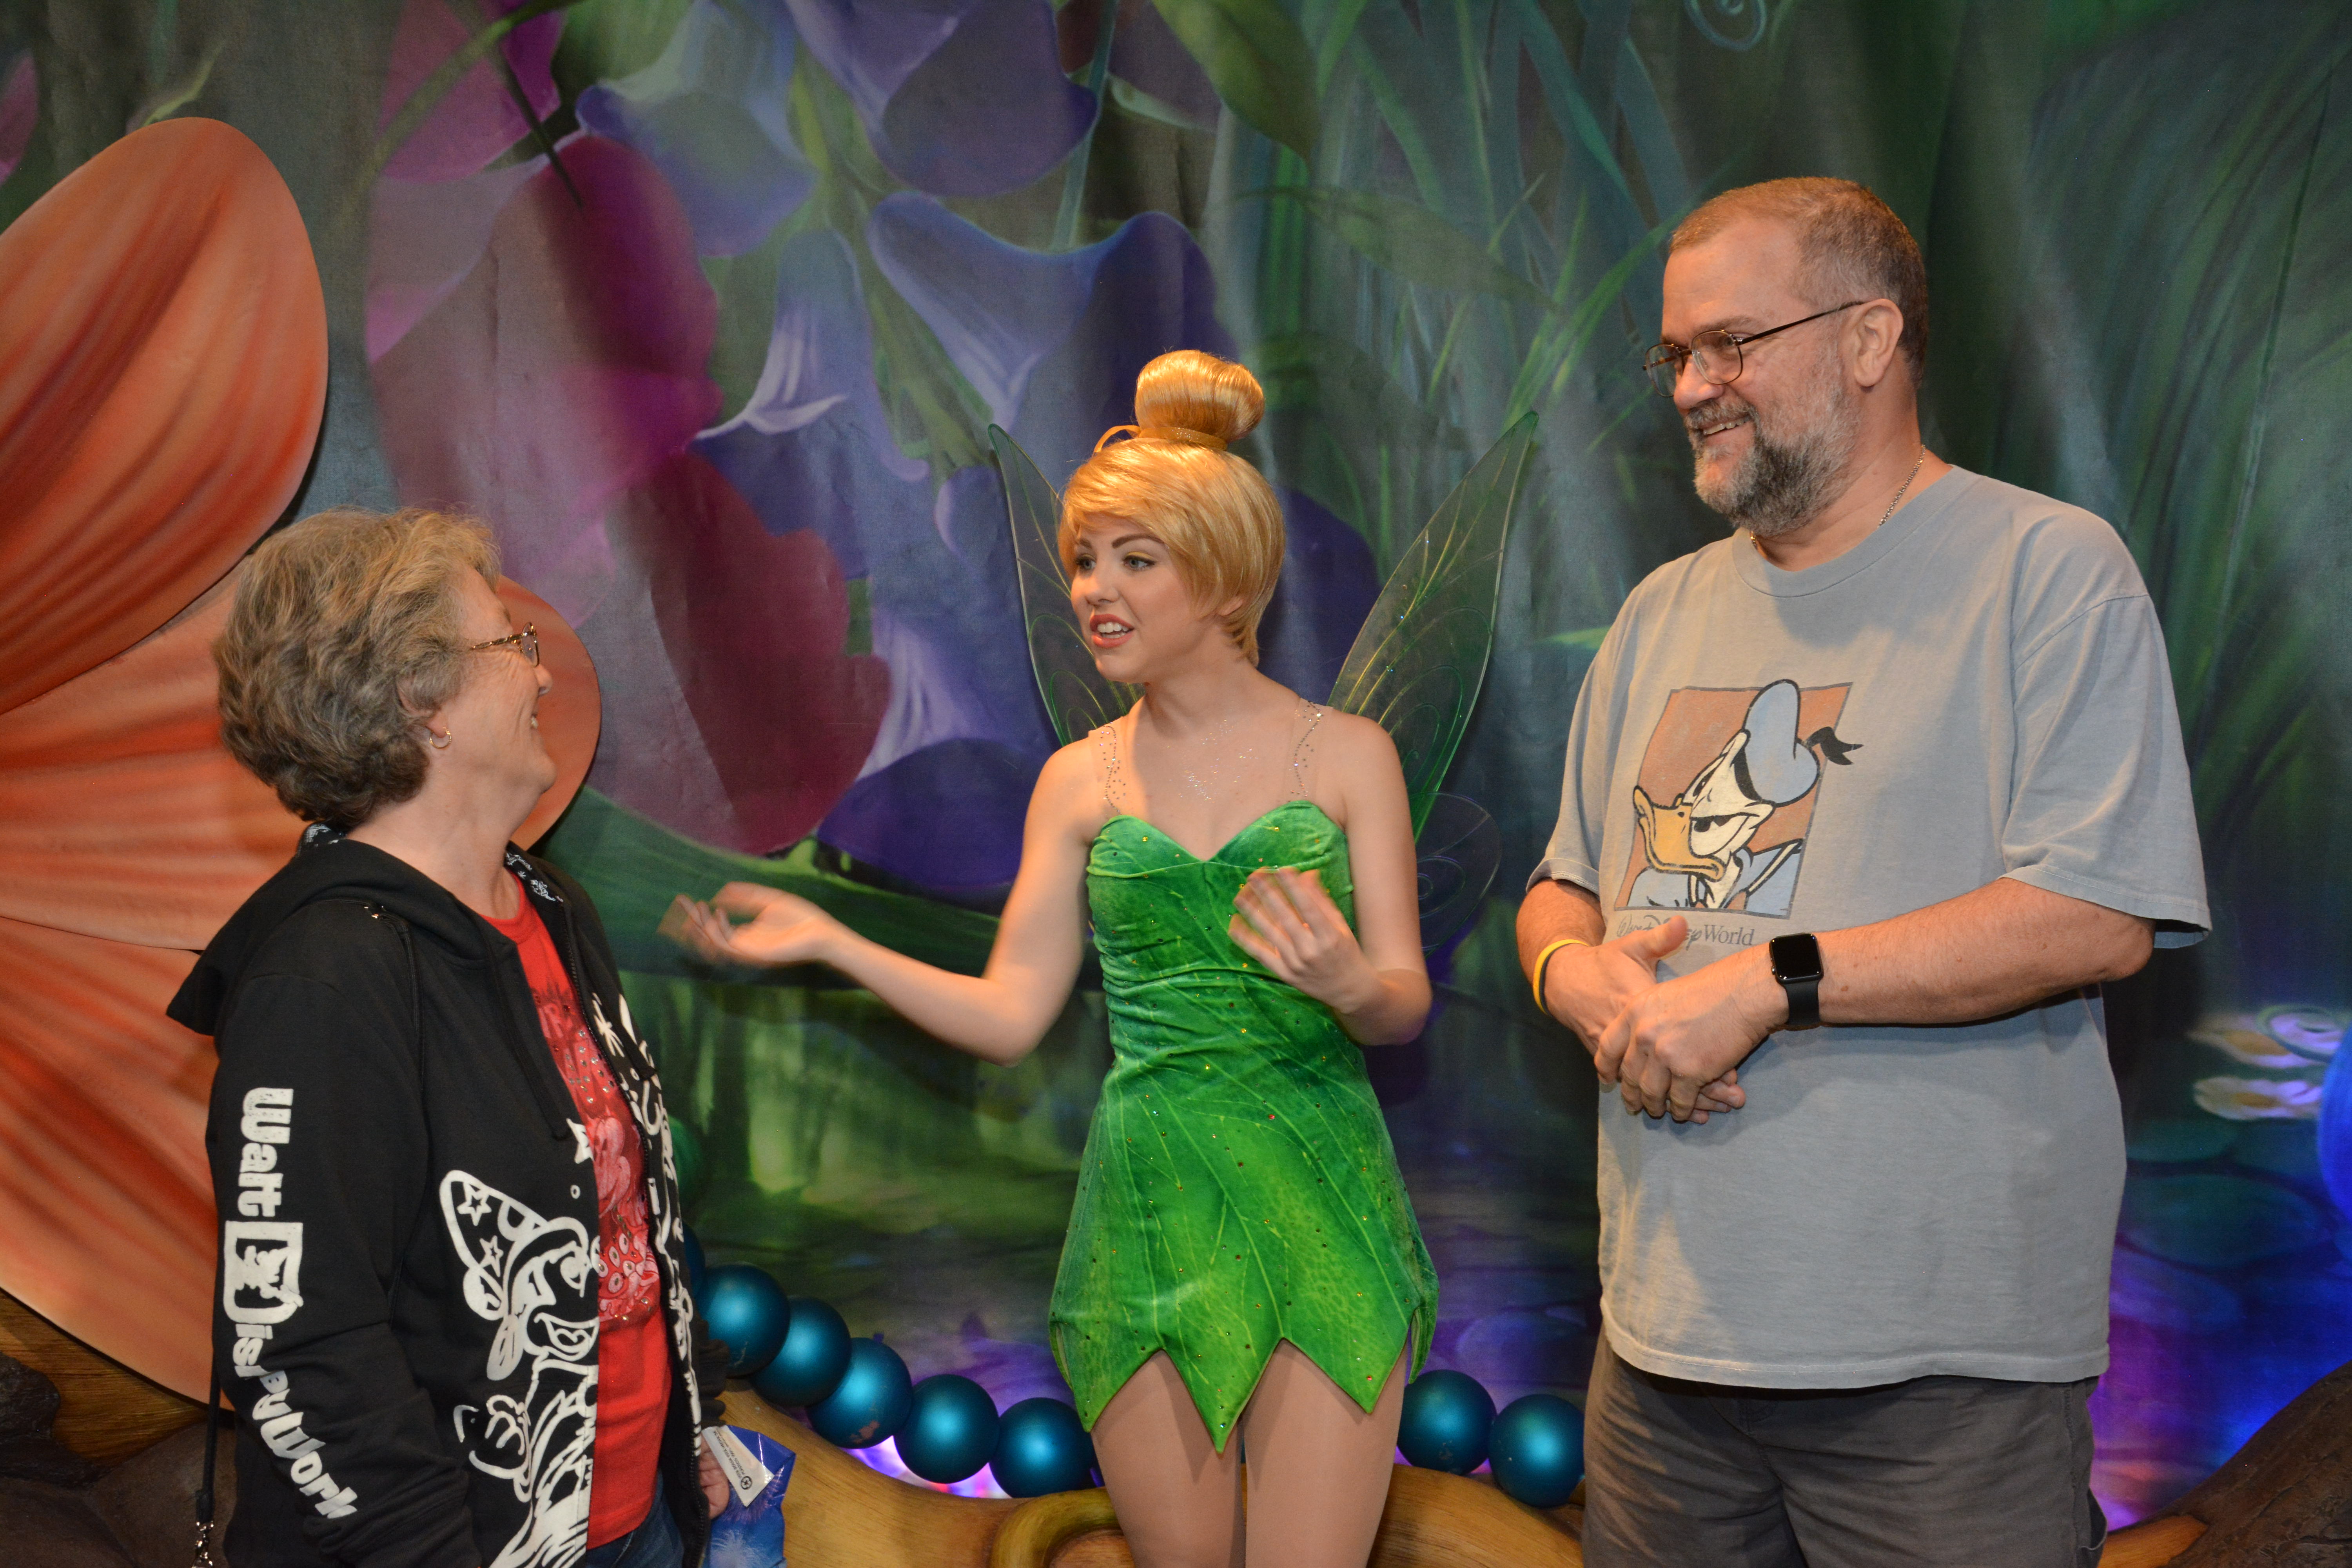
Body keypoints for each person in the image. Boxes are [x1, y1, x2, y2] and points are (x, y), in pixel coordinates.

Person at [1516, 178, 2208, 1568]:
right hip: (1660, 1361)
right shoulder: (1659, 611)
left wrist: (1767, 985)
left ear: (1871, 338)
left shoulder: (2047, 572)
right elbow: (1562, 886)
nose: (1693, 387)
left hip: (1940, 1383)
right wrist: (1571, 978)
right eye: (1676, 354)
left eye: (1732, 344)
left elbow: (2096, 914)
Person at [671, 351, 1438, 1568]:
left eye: (1137, 560)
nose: (1094, 590)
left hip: (1319, 1196)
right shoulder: (1079, 781)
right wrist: (831, 939)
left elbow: (1403, 1000)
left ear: (1225, 578)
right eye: (1086, 560)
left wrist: (1352, 986)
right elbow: (1012, 1012)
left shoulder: (1351, 757)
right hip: (1149, 1216)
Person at [169, 509, 731, 1568]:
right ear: (421, 703)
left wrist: (685, 1428)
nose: (544, 675)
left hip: (635, 1522)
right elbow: (301, 1342)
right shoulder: (324, 976)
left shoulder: (548, 903)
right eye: (512, 645)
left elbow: (621, 1223)